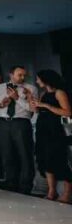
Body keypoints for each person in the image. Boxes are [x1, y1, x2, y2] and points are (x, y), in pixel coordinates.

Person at [0, 65, 38, 194]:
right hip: (2, 123)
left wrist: (17, 98)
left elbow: (32, 108)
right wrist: (0, 104)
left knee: (25, 154)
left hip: (21, 123)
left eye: (24, 75)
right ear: (11, 74)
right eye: (19, 74)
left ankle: (25, 186)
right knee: (7, 154)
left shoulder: (31, 89)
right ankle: (11, 184)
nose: (22, 77)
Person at [31, 70, 72, 203]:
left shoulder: (59, 93)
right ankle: (51, 191)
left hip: (55, 131)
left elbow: (67, 112)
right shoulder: (44, 93)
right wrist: (34, 104)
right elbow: (38, 111)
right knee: (45, 160)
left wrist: (46, 105)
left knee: (59, 160)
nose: (37, 82)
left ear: (45, 79)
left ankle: (66, 194)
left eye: (38, 79)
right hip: (43, 130)